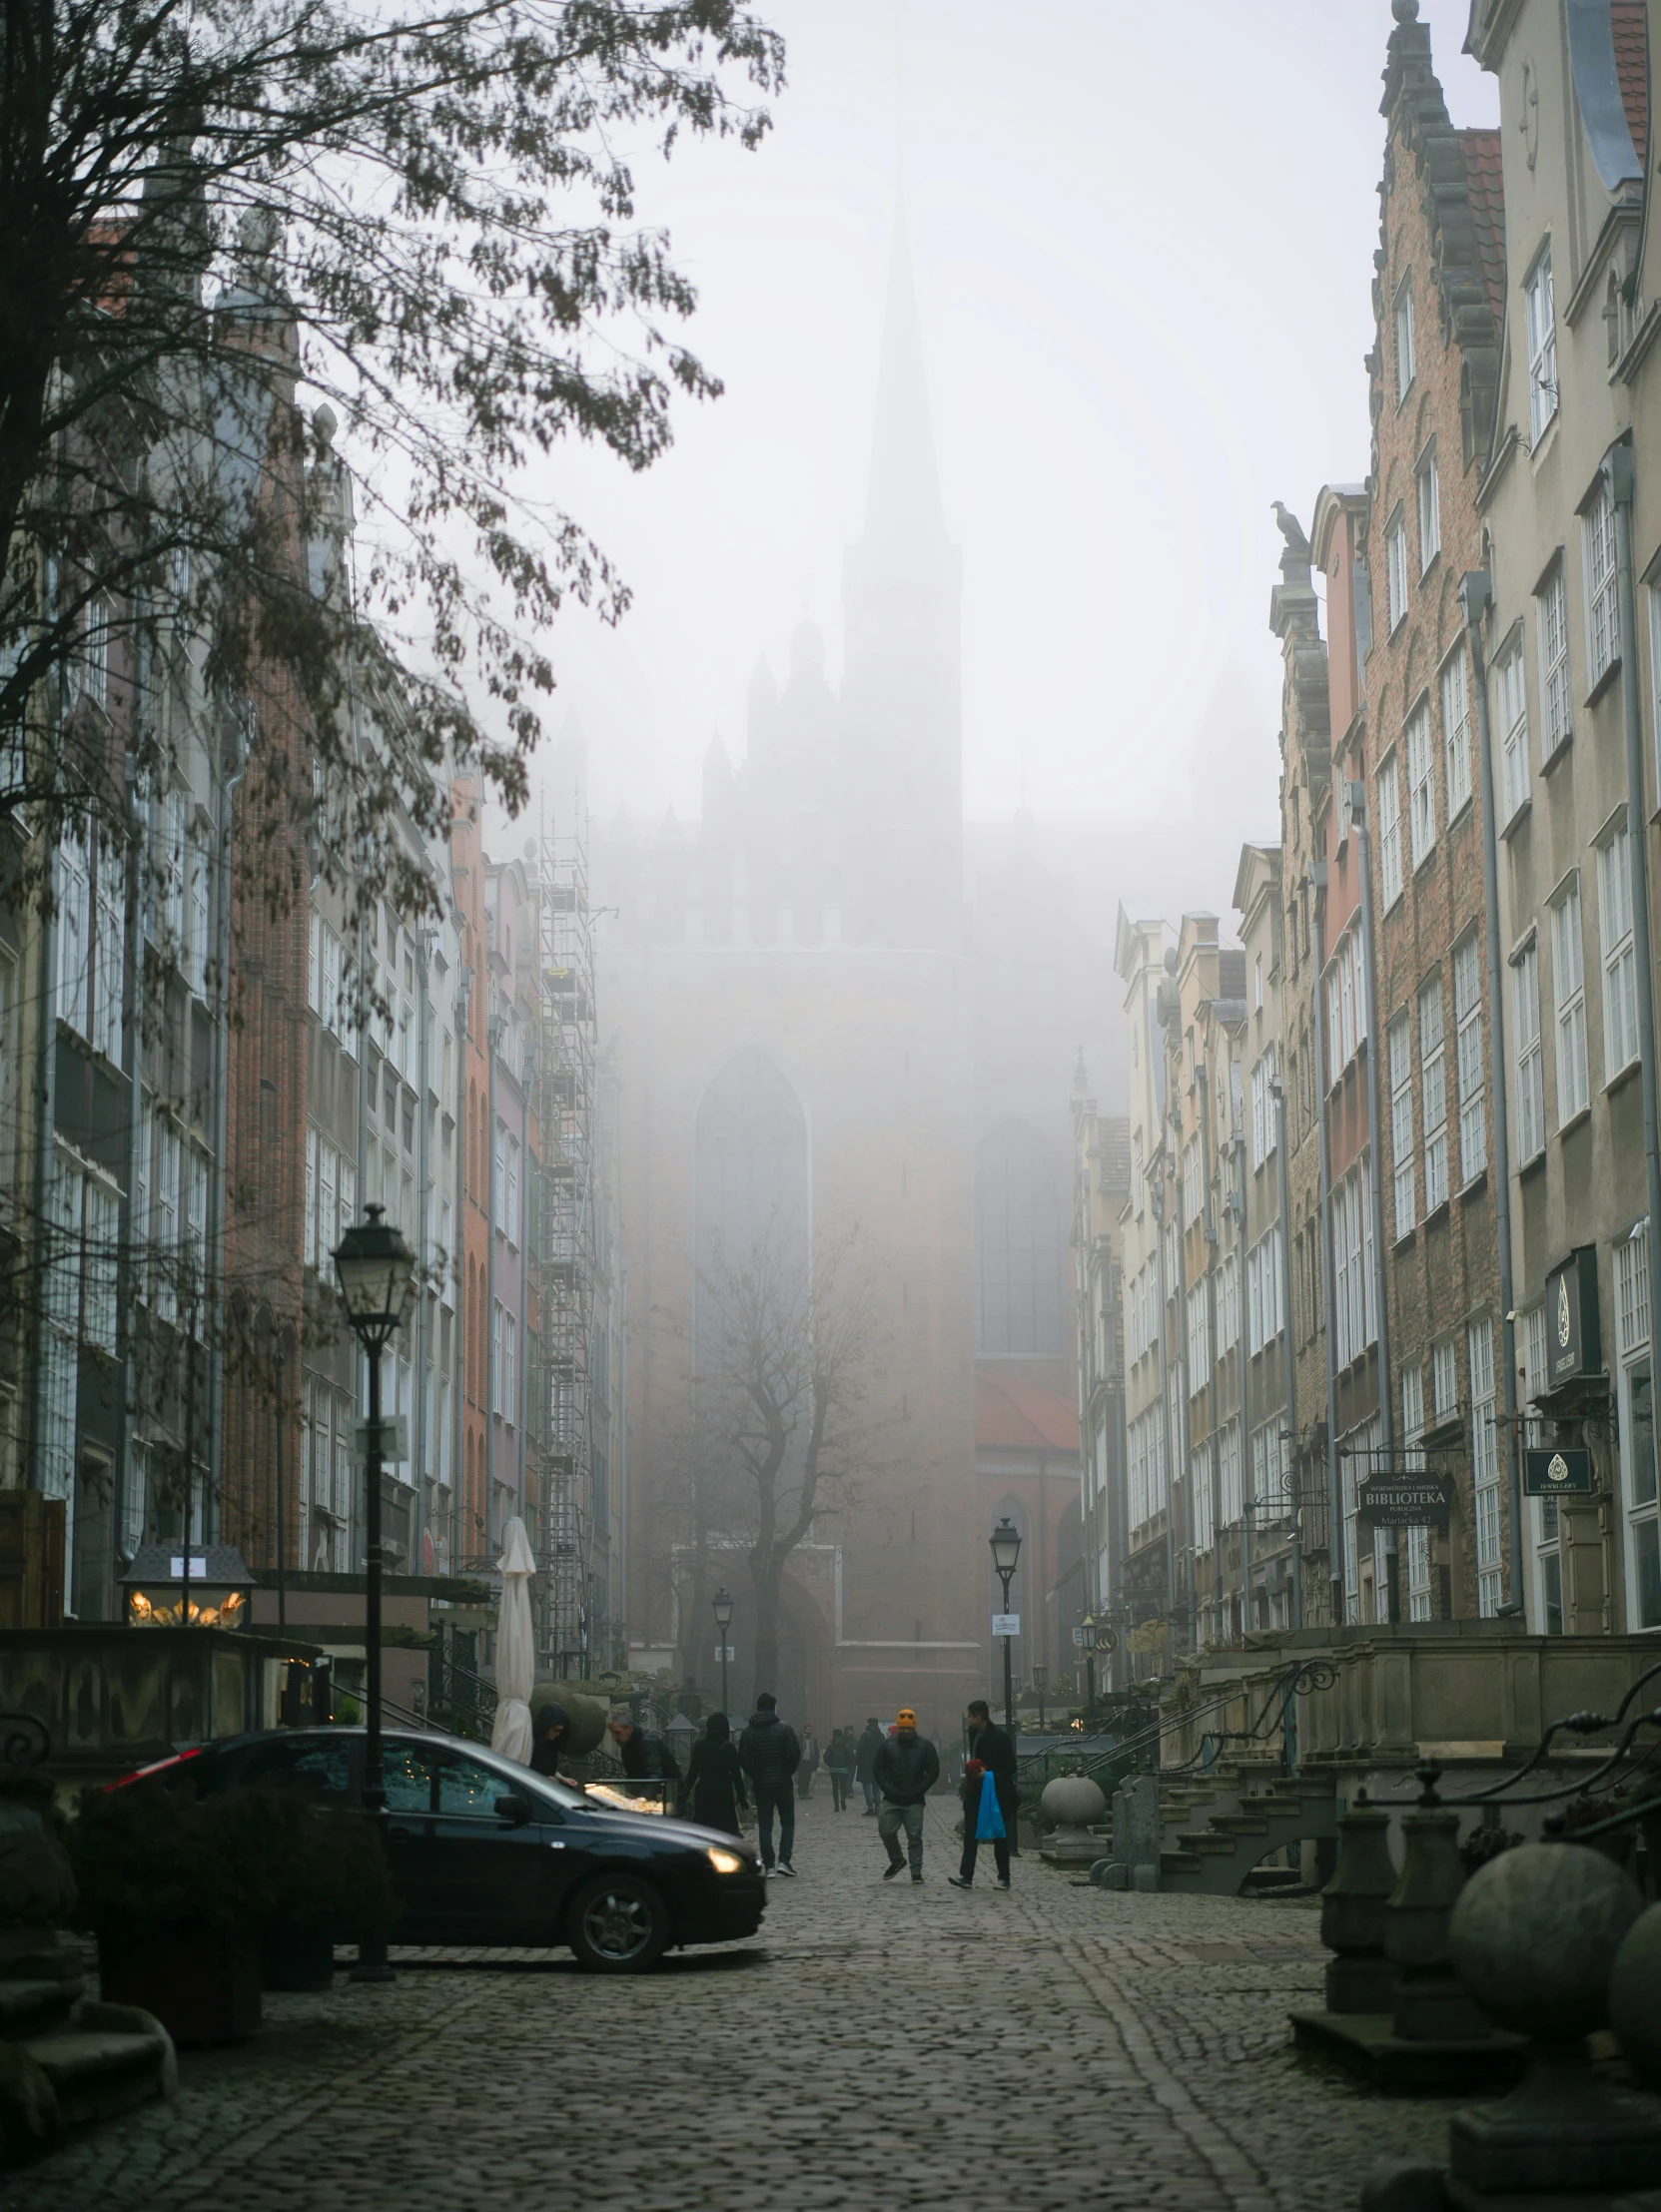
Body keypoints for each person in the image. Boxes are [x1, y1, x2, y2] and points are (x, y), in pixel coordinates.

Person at [949, 1699, 1018, 1890]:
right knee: (970, 1833)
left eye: (970, 1716)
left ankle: (1004, 1877)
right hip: (976, 1792)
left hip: (997, 1793)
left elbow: (1010, 1766)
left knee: (999, 1835)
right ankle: (966, 1876)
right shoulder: (974, 1733)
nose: (968, 1719)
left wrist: (989, 1774)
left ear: (979, 1717)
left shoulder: (998, 1737)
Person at [872, 1707, 940, 1883]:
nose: (905, 1731)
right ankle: (897, 1860)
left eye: (908, 1728)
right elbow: (878, 1769)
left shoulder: (925, 1746)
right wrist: (888, 1789)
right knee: (885, 1830)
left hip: (914, 1800)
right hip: (891, 1797)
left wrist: (919, 1790)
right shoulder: (887, 1745)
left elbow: (933, 1771)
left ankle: (916, 1872)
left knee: (914, 1836)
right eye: (902, 1728)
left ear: (914, 1727)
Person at [738, 1692, 802, 1875]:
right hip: (783, 1783)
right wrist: (786, 1772)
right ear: (774, 1707)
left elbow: (743, 1758)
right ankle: (784, 1860)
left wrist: (756, 1774)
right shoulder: (785, 1729)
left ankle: (770, 1866)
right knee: (787, 1822)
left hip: (762, 1785)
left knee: (765, 1825)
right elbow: (794, 1754)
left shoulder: (749, 1732)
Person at [681, 1711, 748, 1837]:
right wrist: (741, 1796)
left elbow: (692, 1773)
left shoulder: (700, 1746)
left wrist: (684, 1794)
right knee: (725, 1832)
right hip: (723, 1792)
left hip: (704, 1790)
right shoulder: (729, 1748)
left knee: (704, 1831)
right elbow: (736, 1775)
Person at [607, 1710, 681, 1790]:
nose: (614, 1738)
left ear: (629, 1728)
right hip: (657, 1791)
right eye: (612, 1733)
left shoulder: (648, 1742)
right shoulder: (626, 1742)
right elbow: (632, 1775)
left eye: (617, 1733)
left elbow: (654, 1777)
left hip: (671, 1793)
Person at [529, 1701, 569, 1781]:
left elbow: (549, 1770)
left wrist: (563, 1779)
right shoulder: (531, 1742)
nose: (558, 1734)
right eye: (555, 1730)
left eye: (560, 1731)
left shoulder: (552, 1744)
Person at [855, 1718, 884, 1815]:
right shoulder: (881, 1736)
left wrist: (857, 1760)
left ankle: (870, 1807)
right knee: (875, 1786)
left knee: (866, 1786)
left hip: (865, 1764)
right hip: (877, 1765)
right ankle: (878, 1807)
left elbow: (860, 1749)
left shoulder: (865, 1735)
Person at [823, 1728, 854, 1812]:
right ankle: (843, 1799)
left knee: (835, 1787)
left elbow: (826, 1758)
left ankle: (836, 1806)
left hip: (834, 1770)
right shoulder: (846, 1746)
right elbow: (850, 1757)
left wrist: (831, 1765)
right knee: (843, 1786)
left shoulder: (830, 1746)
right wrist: (847, 1765)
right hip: (844, 1770)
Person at [797, 1725, 821, 1801]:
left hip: (809, 1761)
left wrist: (816, 1763)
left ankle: (806, 1792)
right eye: (807, 1729)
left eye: (809, 1729)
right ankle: (801, 1793)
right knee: (801, 1779)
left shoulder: (813, 1740)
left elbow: (816, 1753)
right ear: (804, 1730)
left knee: (808, 1778)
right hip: (802, 1762)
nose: (808, 1731)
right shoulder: (800, 1739)